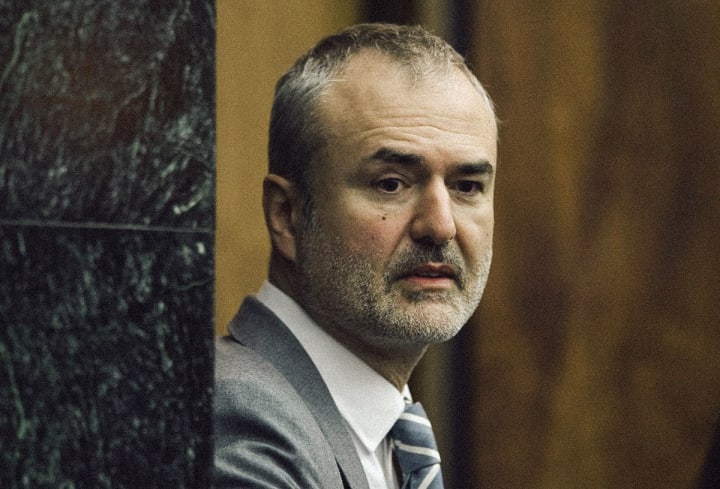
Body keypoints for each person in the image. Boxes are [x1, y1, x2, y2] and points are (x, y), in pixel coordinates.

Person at [214, 23, 498, 489]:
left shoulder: (387, 438)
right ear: (287, 215)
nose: (441, 226)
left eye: (466, 186)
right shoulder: (239, 425)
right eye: (391, 184)